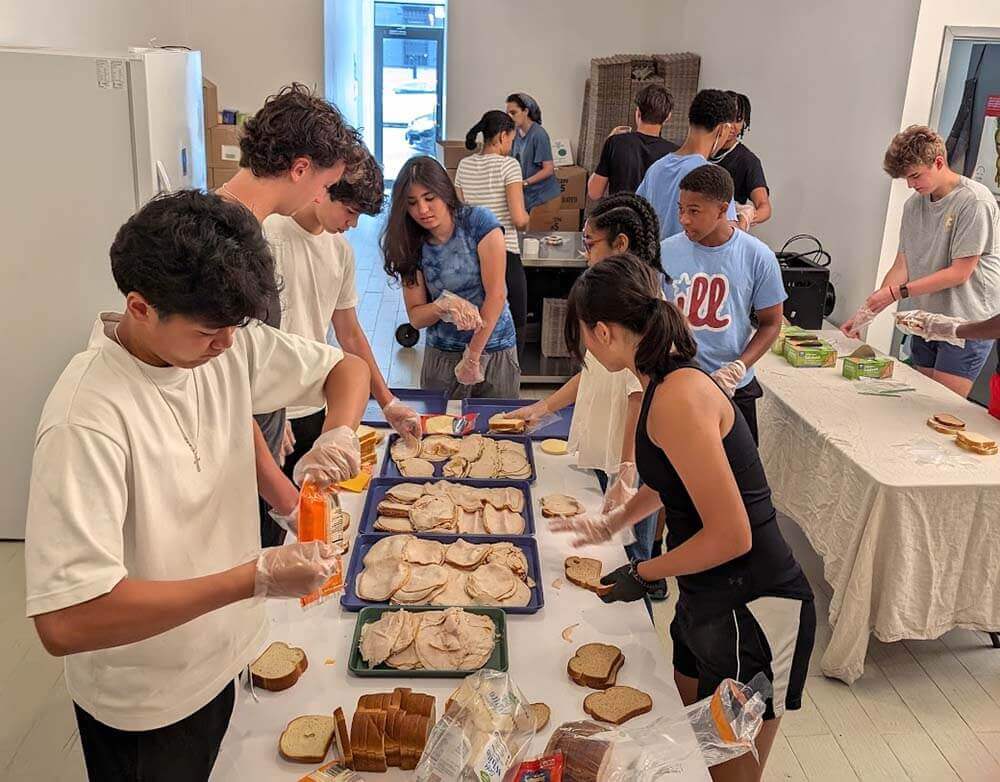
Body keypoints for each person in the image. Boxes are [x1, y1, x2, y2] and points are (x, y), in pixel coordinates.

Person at [24, 191, 371, 781]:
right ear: (140, 307)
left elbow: (347, 369)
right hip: (147, 701)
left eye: (235, 328)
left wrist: (336, 435)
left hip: (228, 657)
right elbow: (66, 621)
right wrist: (253, 577)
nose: (228, 345)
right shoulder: (86, 420)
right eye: (211, 331)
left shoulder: (222, 344)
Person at [552, 254, 815, 782]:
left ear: (602, 332)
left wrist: (643, 572)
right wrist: (614, 522)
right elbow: (671, 478)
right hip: (707, 595)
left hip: (754, 604)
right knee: (690, 742)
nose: (583, 346)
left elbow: (732, 534)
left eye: (582, 335)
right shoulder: (660, 380)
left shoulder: (679, 394)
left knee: (728, 769)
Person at [216, 83, 364, 547]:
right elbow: (217, 380)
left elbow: (251, 358)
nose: (321, 196)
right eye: (323, 184)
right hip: (230, 460)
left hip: (258, 439)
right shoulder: (225, 241)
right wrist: (286, 499)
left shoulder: (244, 229)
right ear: (300, 169)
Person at [509, 193, 667, 597]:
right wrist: (544, 407)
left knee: (630, 555)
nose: (584, 250)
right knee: (608, 543)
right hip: (610, 452)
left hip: (628, 456)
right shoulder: (610, 297)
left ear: (620, 245)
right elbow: (592, 373)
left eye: (590, 241)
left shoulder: (642, 308)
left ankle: (641, 598)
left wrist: (627, 468)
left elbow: (636, 395)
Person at [263, 147, 422, 502]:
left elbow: (349, 333)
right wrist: (266, 408)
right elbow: (247, 338)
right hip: (267, 408)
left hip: (313, 404)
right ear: (324, 187)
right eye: (349, 211)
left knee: (313, 511)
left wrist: (388, 402)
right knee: (271, 521)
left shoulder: (340, 251)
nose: (352, 224)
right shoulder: (269, 233)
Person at [843, 125, 1000, 398]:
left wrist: (898, 293)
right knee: (917, 402)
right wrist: (869, 310)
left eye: (915, 175)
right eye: (906, 178)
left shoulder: (975, 202)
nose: (911, 185)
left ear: (939, 162)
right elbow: (903, 264)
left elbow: (960, 272)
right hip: (926, 321)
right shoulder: (913, 205)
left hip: (966, 321)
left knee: (937, 408)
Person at [662, 164, 785, 443]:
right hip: (677, 382)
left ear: (721, 210)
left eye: (694, 211)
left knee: (738, 477)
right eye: (681, 209)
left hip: (732, 388)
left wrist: (738, 367)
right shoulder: (665, 252)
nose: (684, 219)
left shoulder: (757, 256)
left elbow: (771, 323)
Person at [382, 155, 519, 398]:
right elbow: (416, 317)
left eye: (429, 198)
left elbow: (496, 295)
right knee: (439, 432)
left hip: (493, 348)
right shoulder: (409, 242)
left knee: (498, 430)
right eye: (412, 203)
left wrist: (473, 356)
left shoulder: (479, 222)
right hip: (442, 356)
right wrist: (442, 305)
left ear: (445, 191)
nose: (422, 210)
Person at [455, 109, 530, 357]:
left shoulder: (464, 166)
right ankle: (507, 382)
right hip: (505, 254)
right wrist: (529, 217)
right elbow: (519, 219)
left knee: (476, 322)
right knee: (515, 321)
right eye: (510, 139)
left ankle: (473, 374)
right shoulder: (510, 166)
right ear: (500, 137)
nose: (511, 144)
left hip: (471, 258)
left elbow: (462, 215)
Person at [637, 88, 740, 240]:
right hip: (693, 262)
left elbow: (637, 215)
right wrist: (745, 218)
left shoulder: (656, 168)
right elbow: (727, 240)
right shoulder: (712, 177)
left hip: (653, 261)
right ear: (722, 129)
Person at [894, 310, 1000, 418]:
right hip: (930, 318)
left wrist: (953, 330)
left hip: (967, 326)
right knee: (922, 404)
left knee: (941, 412)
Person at [588, 83, 678, 199]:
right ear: (667, 117)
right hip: (653, 216)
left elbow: (594, 193)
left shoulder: (615, 143)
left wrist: (609, 141)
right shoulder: (675, 154)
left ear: (638, 112)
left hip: (618, 214)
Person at [709, 91, 772, 227]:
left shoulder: (747, 161)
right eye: (727, 118)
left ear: (744, 123)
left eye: (738, 120)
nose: (731, 126)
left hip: (725, 231)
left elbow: (764, 207)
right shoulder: (701, 150)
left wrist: (746, 216)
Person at [506, 92, 562, 223]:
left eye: (513, 113)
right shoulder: (516, 133)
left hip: (544, 198)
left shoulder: (539, 135)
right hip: (527, 196)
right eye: (507, 113)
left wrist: (524, 183)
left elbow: (548, 169)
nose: (509, 117)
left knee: (533, 240)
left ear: (526, 111)